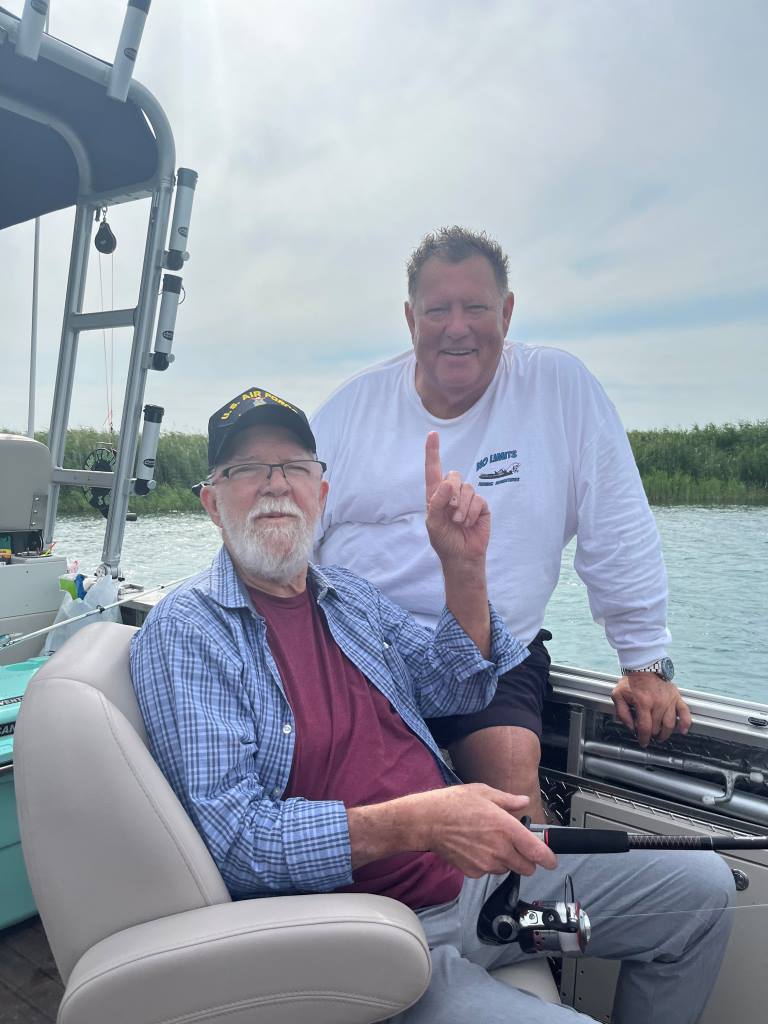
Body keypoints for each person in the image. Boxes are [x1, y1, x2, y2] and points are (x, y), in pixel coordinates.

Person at [131, 386, 733, 1024]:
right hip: (380, 948)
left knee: (698, 900)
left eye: (295, 468)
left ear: (322, 493)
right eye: (246, 470)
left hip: (496, 908)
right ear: (211, 502)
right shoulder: (189, 631)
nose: (276, 485)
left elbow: (459, 687)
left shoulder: (349, 599)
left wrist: (463, 567)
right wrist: (421, 823)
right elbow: (236, 841)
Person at [311, 226, 692, 822]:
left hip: (495, 652)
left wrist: (644, 661)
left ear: (507, 313)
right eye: (438, 310)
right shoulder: (348, 411)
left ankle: (518, 908)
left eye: (476, 307)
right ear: (411, 319)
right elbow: (289, 539)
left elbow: (616, 527)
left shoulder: (558, 390)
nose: (456, 327)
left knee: (514, 794)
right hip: (363, 651)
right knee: (351, 784)